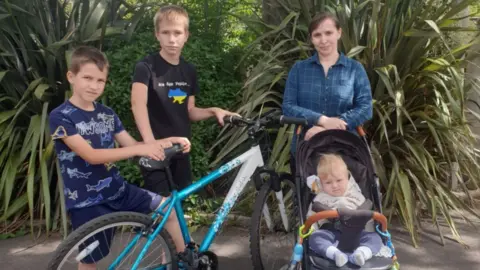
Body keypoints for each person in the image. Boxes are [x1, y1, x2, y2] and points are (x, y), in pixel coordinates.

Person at [49, 46, 190, 270]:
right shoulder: (60, 116)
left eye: (100, 80)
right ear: (71, 76)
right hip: (87, 202)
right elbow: (91, 156)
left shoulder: (107, 114)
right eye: (87, 78)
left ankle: (178, 262)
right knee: (89, 261)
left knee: (168, 210)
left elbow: (132, 145)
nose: (94, 86)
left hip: (119, 190)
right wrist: (139, 150)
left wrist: (164, 141)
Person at [130, 4, 239, 196]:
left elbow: (190, 111)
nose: (172, 39)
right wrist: (150, 143)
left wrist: (213, 110)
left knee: (179, 203)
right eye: (166, 32)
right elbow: (137, 104)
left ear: (186, 35)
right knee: (162, 209)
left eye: (177, 33)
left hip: (181, 150)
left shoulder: (189, 70)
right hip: (155, 150)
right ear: (157, 34)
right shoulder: (146, 66)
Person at [281, 11, 373, 173]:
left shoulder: (354, 69)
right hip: (306, 149)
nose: (323, 40)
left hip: (346, 149)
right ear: (311, 38)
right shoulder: (299, 69)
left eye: (328, 33)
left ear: (339, 33)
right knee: (308, 196)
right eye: (317, 35)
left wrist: (330, 127)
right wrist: (321, 120)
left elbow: (365, 108)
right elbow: (288, 106)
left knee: (348, 196)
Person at [306, 154, 382, 267]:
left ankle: (361, 253)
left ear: (347, 178)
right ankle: (335, 254)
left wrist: (368, 230)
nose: (335, 185)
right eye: (328, 182)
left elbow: (368, 218)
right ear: (321, 183)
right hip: (330, 234)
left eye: (339, 180)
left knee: (375, 238)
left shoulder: (356, 196)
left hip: (357, 234)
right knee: (315, 238)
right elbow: (311, 220)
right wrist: (312, 230)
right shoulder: (320, 199)